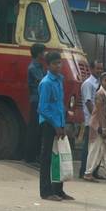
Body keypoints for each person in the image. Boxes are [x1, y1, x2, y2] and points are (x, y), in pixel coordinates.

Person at [37, 51, 74, 201]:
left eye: (60, 62)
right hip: (48, 123)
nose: (58, 65)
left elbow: (59, 105)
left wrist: (62, 125)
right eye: (55, 63)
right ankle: (45, 192)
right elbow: (43, 108)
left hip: (58, 124)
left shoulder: (59, 80)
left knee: (59, 157)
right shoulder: (46, 83)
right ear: (48, 65)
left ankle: (58, 190)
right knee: (46, 157)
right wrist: (56, 125)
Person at [82, 72, 106, 183]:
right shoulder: (100, 94)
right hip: (98, 127)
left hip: (103, 126)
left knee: (105, 150)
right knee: (94, 150)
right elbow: (100, 113)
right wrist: (103, 129)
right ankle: (88, 173)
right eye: (105, 80)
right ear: (101, 81)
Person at [78, 61, 102, 179]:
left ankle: (94, 171)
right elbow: (88, 102)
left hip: (98, 119)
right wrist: (95, 118)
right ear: (91, 69)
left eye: (101, 68)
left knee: (97, 147)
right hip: (91, 120)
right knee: (88, 147)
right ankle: (84, 172)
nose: (100, 71)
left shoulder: (99, 83)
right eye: (98, 68)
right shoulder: (88, 84)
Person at [25, 43, 46, 163]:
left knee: (37, 128)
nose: (45, 54)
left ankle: (34, 155)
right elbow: (42, 82)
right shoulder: (33, 68)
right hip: (36, 100)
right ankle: (31, 156)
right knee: (35, 129)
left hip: (39, 100)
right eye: (43, 52)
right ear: (39, 54)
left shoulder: (39, 66)